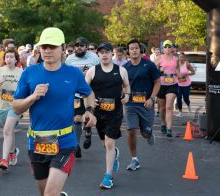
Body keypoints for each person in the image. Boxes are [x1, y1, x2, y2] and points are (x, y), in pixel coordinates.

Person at [12, 27, 97, 196]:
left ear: (63, 48)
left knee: (50, 194)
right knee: (44, 193)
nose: (48, 50)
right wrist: (33, 97)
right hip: (37, 141)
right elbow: (16, 107)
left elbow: (89, 93)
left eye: (52, 46)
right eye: (44, 47)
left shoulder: (73, 73)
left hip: (64, 141)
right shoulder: (30, 73)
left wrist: (89, 110)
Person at [85, 42, 130, 189]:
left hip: (115, 113)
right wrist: (90, 104)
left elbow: (127, 86)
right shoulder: (92, 71)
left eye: (107, 52)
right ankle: (114, 153)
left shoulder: (121, 71)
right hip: (98, 114)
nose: (104, 55)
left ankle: (108, 177)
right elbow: (85, 91)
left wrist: (127, 96)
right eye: (101, 52)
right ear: (98, 55)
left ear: (112, 53)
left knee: (110, 142)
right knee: (105, 142)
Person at [123, 39, 160, 171]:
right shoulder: (125, 68)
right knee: (131, 130)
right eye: (131, 48)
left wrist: (152, 98)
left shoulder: (149, 65)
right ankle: (134, 160)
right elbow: (121, 85)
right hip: (130, 104)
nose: (134, 50)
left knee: (144, 133)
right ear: (128, 51)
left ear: (140, 50)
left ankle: (149, 134)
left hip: (146, 103)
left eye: (136, 48)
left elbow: (157, 82)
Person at [0, 49, 23, 171]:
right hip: (2, 107)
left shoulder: (21, 72)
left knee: (7, 129)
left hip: (15, 107)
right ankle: (13, 152)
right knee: (9, 131)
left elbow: (26, 89)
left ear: (16, 59)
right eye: (7, 57)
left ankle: (4, 159)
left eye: (11, 57)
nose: (8, 59)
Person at [65, 37, 100, 157]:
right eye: (77, 45)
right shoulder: (70, 59)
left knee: (87, 117)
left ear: (86, 47)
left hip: (90, 93)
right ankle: (76, 145)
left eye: (82, 45)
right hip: (75, 93)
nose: (79, 47)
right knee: (77, 119)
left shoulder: (94, 58)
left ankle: (88, 131)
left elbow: (100, 73)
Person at [155, 40, 178, 137]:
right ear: (163, 48)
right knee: (162, 108)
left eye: (169, 47)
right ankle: (163, 123)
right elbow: (153, 71)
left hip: (172, 84)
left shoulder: (175, 59)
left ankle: (169, 129)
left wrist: (182, 76)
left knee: (169, 107)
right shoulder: (158, 58)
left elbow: (178, 71)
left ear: (172, 48)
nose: (168, 49)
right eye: (166, 47)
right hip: (161, 84)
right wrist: (160, 71)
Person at [176, 52, 196, 117]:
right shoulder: (176, 64)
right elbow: (174, 72)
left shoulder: (187, 64)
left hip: (186, 84)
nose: (181, 58)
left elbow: (193, 72)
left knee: (186, 98)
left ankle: (188, 105)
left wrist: (187, 74)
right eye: (180, 57)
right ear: (178, 58)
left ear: (185, 58)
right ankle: (180, 112)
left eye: (182, 57)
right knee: (178, 98)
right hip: (178, 84)